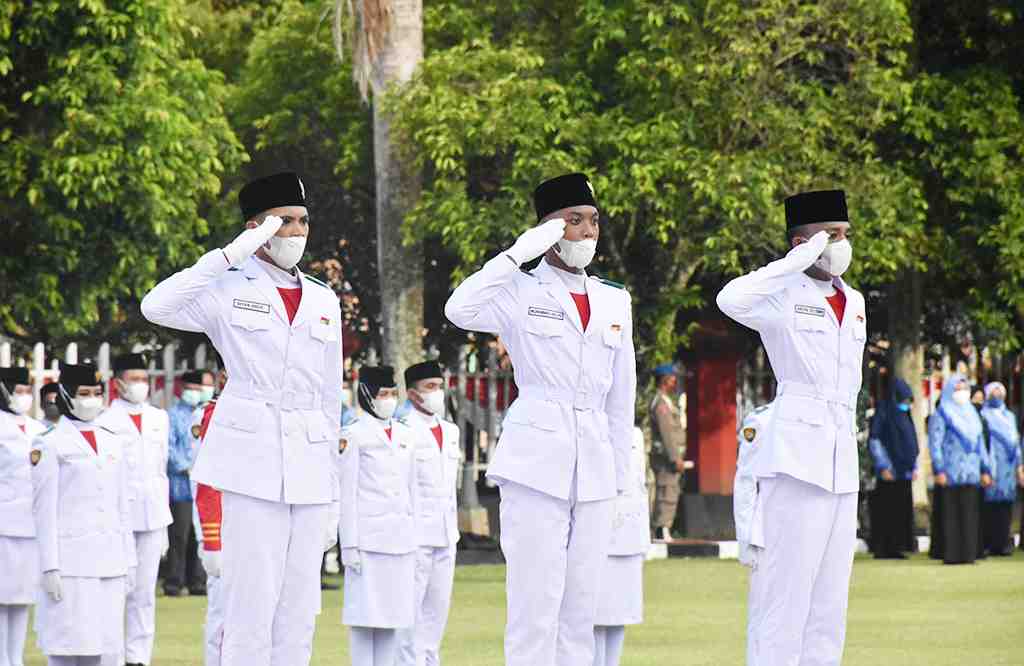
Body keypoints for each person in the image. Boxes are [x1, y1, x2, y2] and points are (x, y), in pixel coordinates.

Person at [140, 172, 342, 666]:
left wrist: (333, 488)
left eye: (302, 222)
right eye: (284, 222)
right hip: (251, 463)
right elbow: (156, 305)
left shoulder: (322, 297)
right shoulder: (225, 286)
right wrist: (233, 252)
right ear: (257, 227)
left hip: (309, 463)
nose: (297, 232)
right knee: (251, 605)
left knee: (300, 609)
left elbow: (328, 395)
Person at [445, 173, 636, 666]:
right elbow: (459, 307)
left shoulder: (615, 299)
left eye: (593, 220)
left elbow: (621, 398)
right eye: (574, 221)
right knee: (534, 608)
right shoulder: (519, 289)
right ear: (549, 229)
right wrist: (520, 251)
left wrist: (619, 480)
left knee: (580, 613)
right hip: (536, 462)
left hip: (593, 465)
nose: (587, 231)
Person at [717, 189, 866, 665]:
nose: (840, 244)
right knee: (783, 600)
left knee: (829, 606)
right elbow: (729, 298)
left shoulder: (856, 301)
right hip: (796, 462)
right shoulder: (780, 295)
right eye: (830, 236)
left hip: (843, 464)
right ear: (802, 241)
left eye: (844, 234)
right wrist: (794, 260)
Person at [31, 362, 136, 666]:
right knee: (68, 646)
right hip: (72, 563)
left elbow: (122, 506)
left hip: (110, 560)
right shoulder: (49, 443)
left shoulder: (113, 439)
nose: (91, 398)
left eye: (97, 392)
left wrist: (129, 558)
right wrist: (49, 566)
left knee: (108, 648)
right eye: (84, 393)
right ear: (65, 394)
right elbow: (44, 510)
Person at [338, 366, 419, 666]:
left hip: (399, 540)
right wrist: (348, 545)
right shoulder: (353, 435)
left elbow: (413, 491)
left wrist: (415, 536)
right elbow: (347, 493)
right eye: (382, 394)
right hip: (367, 542)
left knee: (392, 619)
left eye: (392, 394)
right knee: (364, 619)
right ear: (368, 396)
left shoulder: (406, 435)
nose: (389, 400)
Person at [95, 353, 170, 666]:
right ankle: (110, 654)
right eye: (134, 379)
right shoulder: (104, 420)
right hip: (119, 516)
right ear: (118, 383)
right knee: (117, 589)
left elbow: (161, 469)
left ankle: (138, 657)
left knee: (144, 593)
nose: (140, 385)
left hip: (153, 514)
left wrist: (165, 524)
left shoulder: (158, 418)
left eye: (144, 379)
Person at [396, 361, 462, 666]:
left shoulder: (451, 432)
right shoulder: (403, 431)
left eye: (439, 386)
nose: (437, 393)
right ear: (412, 394)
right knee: (409, 617)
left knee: (437, 614)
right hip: (415, 536)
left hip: (447, 534)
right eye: (430, 388)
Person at [0, 367, 46, 666]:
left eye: (27, 390)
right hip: (2, 522)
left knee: (22, 598)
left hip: (30, 523)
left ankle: (15, 658)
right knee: (1, 597)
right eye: (18, 390)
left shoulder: (38, 428)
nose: (24, 396)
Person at [593, 426, 649, 666]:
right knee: (593, 618)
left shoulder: (634, 435)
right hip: (597, 536)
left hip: (629, 536)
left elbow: (642, 487)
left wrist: (643, 540)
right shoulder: (590, 429)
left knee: (620, 616)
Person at [927, 374, 993, 564]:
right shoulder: (942, 412)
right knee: (952, 514)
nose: (962, 392)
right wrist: (938, 468)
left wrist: (985, 469)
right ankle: (953, 555)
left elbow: (981, 443)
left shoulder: (972, 412)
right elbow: (935, 443)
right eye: (957, 388)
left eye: (964, 388)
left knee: (970, 514)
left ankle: (968, 554)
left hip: (972, 472)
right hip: (950, 471)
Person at [165, 369, 213, 597]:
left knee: (200, 535)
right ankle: (174, 581)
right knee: (179, 535)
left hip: (202, 484)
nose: (194, 393)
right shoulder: (173, 416)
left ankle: (198, 581)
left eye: (198, 389)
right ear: (182, 389)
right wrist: (186, 465)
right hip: (180, 486)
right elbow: (169, 447)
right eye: (191, 389)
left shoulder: (204, 414)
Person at [733, 402, 774, 666]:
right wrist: (745, 538)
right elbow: (746, 482)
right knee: (763, 617)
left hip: (803, 533)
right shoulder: (762, 421)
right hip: (766, 535)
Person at [866, 378, 918, 559]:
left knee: (900, 511)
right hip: (889, 471)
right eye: (903, 400)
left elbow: (912, 441)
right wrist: (884, 465)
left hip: (904, 471)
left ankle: (898, 546)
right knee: (887, 511)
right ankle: (884, 548)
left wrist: (914, 465)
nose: (905, 404)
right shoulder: (884, 411)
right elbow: (875, 440)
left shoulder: (905, 415)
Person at [193, 384, 225, 666]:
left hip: (254, 527)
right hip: (225, 530)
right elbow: (208, 483)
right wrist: (212, 539)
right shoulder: (216, 414)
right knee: (222, 615)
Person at [979, 382, 1023, 556]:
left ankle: (1003, 543)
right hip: (992, 464)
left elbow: (1015, 441)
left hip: (1008, 466)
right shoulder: (983, 415)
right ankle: (989, 543)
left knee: (1006, 506)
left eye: (1000, 393)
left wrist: (1019, 465)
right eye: (993, 393)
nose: (996, 397)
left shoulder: (1010, 416)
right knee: (990, 506)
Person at [649, 363, 686, 541]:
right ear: (664, 380)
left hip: (668, 457)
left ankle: (664, 528)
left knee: (670, 491)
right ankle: (660, 529)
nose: (675, 381)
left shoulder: (666, 402)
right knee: (666, 492)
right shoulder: (661, 404)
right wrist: (675, 458)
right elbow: (667, 434)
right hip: (665, 458)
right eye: (672, 378)